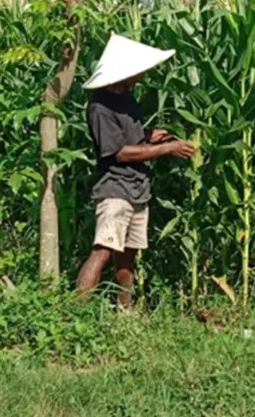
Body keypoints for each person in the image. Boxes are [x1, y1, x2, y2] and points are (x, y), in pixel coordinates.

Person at [75, 34, 196, 309]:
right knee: (103, 249)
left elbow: (128, 138)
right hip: (115, 188)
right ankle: (75, 315)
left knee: (127, 256)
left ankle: (125, 312)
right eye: (140, 70)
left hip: (138, 187)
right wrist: (167, 149)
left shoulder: (126, 98)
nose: (144, 74)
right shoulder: (100, 107)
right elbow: (118, 152)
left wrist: (148, 135)